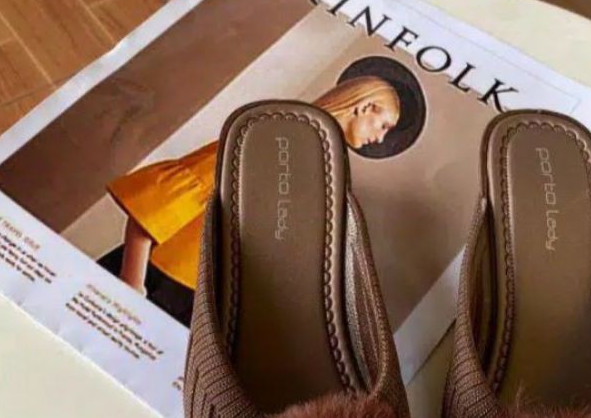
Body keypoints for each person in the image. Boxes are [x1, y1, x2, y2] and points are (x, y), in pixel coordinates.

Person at [108, 76, 401, 294]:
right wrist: (131, 283)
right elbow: (161, 199)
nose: (380, 139)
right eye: (384, 125)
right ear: (366, 107)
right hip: (152, 281)